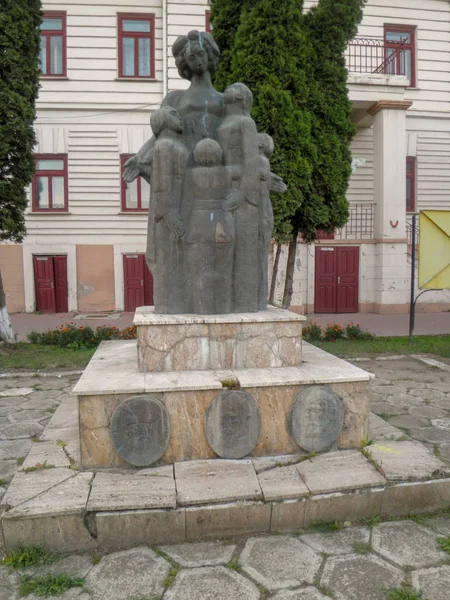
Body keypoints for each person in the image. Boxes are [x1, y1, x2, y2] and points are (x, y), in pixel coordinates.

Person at [185, 138, 243, 314]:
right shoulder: (229, 172)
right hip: (223, 224)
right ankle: (223, 309)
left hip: (198, 225)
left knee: (200, 274)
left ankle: (203, 310)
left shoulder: (189, 174)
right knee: (224, 272)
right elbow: (244, 174)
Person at [147, 106, 188, 313]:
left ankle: (177, 303)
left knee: (178, 260)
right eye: (174, 114)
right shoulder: (164, 145)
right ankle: (166, 305)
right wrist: (170, 214)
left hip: (180, 210)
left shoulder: (175, 145)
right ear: (162, 121)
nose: (179, 117)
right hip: (169, 216)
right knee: (168, 260)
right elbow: (161, 184)